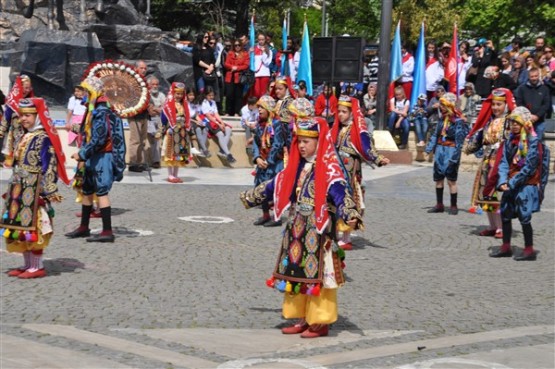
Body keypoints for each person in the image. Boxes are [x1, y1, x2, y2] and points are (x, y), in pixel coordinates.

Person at [240, 116, 363, 339]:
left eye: (307, 141)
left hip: (319, 231)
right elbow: (277, 183)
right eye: (300, 141)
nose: (302, 146)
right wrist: (252, 196)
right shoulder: (298, 167)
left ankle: (319, 321)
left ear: (319, 141)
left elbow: (340, 192)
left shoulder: (330, 170)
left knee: (319, 276)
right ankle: (302, 317)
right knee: (296, 273)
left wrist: (350, 213)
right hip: (297, 229)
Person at [2, 98, 69, 279]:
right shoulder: (25, 134)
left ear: (38, 116)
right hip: (19, 187)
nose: (23, 119)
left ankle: (37, 266)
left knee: (34, 227)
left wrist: (47, 190)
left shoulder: (43, 138)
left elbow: (50, 165)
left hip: (34, 189)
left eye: (28, 115)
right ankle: (27, 264)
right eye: (22, 115)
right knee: (20, 227)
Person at [65, 75, 126, 243]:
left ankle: (107, 231)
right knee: (87, 190)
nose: (83, 95)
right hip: (93, 157)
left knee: (101, 192)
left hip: (102, 157)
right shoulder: (94, 110)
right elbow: (92, 132)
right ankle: (84, 227)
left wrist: (82, 154)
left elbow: (99, 139)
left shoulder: (101, 111)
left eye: (86, 92)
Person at [490, 107, 550, 260]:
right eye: (512, 123)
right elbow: (503, 162)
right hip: (510, 182)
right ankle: (506, 246)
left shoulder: (533, 142)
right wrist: (503, 180)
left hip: (525, 184)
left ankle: (529, 250)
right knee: (505, 213)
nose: (514, 126)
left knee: (524, 216)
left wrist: (512, 182)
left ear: (524, 123)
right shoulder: (509, 141)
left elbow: (529, 167)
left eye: (517, 123)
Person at [331, 95, 389, 250]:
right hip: (337, 169)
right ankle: (335, 232)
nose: (341, 115)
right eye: (339, 111)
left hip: (350, 171)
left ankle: (346, 236)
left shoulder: (357, 130)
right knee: (335, 199)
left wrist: (378, 159)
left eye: (344, 112)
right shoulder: (337, 129)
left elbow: (366, 146)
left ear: (351, 113)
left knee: (350, 200)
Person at [465, 88, 515, 239]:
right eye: (493, 104)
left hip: (500, 163)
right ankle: (492, 226)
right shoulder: (489, 123)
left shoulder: (509, 123)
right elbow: (480, 139)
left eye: (499, 105)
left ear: (505, 105)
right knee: (485, 195)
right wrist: (469, 146)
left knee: (497, 196)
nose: (495, 108)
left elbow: (513, 142)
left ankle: (501, 227)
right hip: (487, 162)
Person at [425, 92, 467, 215]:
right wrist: (430, 148)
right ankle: (439, 204)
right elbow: (436, 134)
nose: (441, 107)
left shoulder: (458, 122)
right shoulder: (442, 120)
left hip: (451, 151)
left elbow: (459, 141)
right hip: (440, 151)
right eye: (441, 105)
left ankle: (453, 205)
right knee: (438, 179)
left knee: (451, 180)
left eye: (443, 105)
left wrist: (455, 156)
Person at [251, 95, 286, 227]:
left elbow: (278, 144)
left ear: (269, 109)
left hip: (274, 163)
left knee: (275, 189)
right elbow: (256, 143)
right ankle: (265, 215)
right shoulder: (259, 125)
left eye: (262, 107)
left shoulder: (277, 124)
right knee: (261, 189)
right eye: (258, 107)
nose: (259, 110)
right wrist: (257, 158)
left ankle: (277, 217)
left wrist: (268, 161)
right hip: (262, 162)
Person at [159, 82, 191, 183]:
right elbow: (164, 118)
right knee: (171, 152)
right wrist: (167, 127)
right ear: (173, 93)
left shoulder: (184, 104)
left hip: (181, 131)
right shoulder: (168, 105)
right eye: (177, 93)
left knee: (179, 153)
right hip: (172, 130)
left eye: (181, 94)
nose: (179, 96)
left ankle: (176, 174)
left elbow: (187, 116)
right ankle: (170, 175)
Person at [0, 74, 34, 165]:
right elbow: (5, 121)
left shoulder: (32, 101)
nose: (27, 90)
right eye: (25, 87)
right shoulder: (12, 102)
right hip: (15, 138)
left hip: (29, 136)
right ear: (19, 87)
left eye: (29, 88)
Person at [200, 86, 236, 163]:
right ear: (206, 95)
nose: (211, 97)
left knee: (228, 129)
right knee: (220, 133)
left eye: (212, 95)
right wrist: (218, 124)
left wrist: (222, 123)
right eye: (209, 95)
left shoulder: (213, 102)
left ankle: (222, 151)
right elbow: (208, 116)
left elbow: (216, 114)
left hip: (215, 120)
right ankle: (228, 154)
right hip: (208, 121)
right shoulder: (204, 102)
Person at [514, 67, 551, 139]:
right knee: (525, 144)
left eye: (536, 76)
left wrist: (537, 115)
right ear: (528, 77)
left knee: (537, 143)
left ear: (539, 76)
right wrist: (528, 115)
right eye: (532, 76)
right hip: (525, 121)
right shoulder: (522, 88)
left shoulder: (545, 89)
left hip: (539, 121)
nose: (534, 78)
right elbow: (519, 102)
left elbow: (546, 105)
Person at [127, 60, 149, 173]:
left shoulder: (144, 82)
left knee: (143, 140)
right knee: (135, 140)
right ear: (136, 69)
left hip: (144, 114)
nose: (144, 70)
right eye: (141, 68)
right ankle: (133, 163)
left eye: (145, 68)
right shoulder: (132, 81)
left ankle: (140, 162)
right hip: (135, 114)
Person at [224, 38, 249, 116]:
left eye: (239, 45)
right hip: (230, 76)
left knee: (238, 95)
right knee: (229, 94)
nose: (237, 47)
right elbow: (226, 64)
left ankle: (237, 112)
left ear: (241, 46)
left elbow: (246, 65)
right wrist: (232, 67)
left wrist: (237, 68)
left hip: (239, 77)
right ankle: (228, 111)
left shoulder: (245, 54)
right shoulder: (230, 53)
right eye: (235, 45)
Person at [146, 76, 166, 168]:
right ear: (149, 85)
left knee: (156, 138)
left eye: (156, 84)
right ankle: (154, 161)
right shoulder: (146, 95)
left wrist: (155, 108)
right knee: (154, 137)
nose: (155, 86)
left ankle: (156, 161)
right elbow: (150, 111)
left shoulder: (161, 95)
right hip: (149, 119)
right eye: (153, 84)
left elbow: (165, 109)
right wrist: (158, 108)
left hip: (159, 119)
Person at [187, 87, 209, 158]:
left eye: (193, 95)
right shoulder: (185, 104)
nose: (191, 97)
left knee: (205, 129)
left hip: (194, 120)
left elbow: (196, 115)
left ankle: (202, 150)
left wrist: (200, 121)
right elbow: (186, 117)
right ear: (187, 95)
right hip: (189, 121)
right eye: (190, 95)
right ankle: (205, 150)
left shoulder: (194, 104)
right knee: (198, 129)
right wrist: (196, 122)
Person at [251, 32, 273, 99]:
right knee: (256, 92)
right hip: (256, 74)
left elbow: (267, 63)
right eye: (259, 39)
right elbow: (251, 61)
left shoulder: (269, 50)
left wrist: (263, 53)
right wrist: (250, 52)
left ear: (265, 40)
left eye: (262, 39)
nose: (261, 41)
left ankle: (262, 108)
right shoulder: (254, 49)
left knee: (263, 93)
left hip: (265, 74)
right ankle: (257, 107)